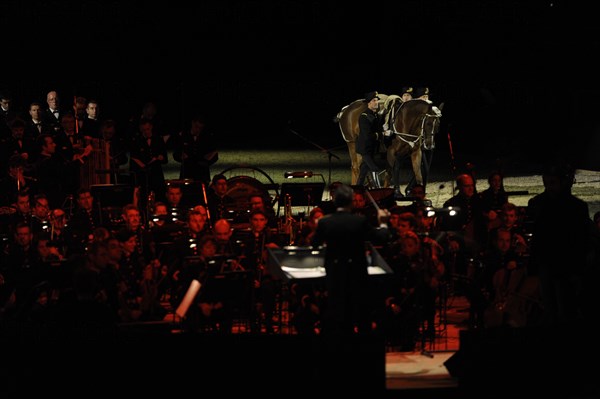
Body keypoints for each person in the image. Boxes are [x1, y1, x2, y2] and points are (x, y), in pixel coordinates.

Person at [310, 183, 391, 336]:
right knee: (361, 312)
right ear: (351, 202)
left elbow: (314, 245)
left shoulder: (325, 222)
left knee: (338, 313)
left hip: (335, 274)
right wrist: (384, 222)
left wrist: (319, 228)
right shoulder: (359, 221)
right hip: (356, 273)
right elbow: (382, 238)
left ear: (335, 202)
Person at [171, 114, 218, 185]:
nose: (198, 130)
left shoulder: (207, 138)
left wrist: (206, 162)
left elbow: (214, 155)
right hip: (187, 173)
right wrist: (181, 157)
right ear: (192, 123)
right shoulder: (183, 136)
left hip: (202, 174)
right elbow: (176, 154)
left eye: (200, 128)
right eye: (196, 127)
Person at [356, 91, 384, 188]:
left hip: (371, 149)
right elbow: (367, 135)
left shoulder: (375, 115)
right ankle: (379, 190)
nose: (376, 102)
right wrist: (380, 134)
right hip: (365, 149)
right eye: (374, 100)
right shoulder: (364, 116)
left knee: (363, 170)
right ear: (369, 103)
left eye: (377, 100)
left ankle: (357, 188)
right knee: (374, 168)